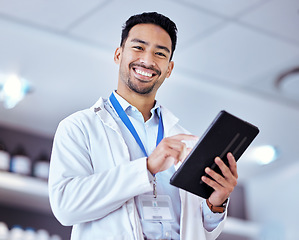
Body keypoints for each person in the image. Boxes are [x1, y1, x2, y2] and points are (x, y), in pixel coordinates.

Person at [48, 12, 238, 240]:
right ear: (118, 54)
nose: (148, 61)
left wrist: (216, 204)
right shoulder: (78, 127)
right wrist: (146, 168)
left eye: (160, 53)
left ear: (169, 69)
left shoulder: (183, 139)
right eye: (138, 48)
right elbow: (66, 207)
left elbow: (199, 231)